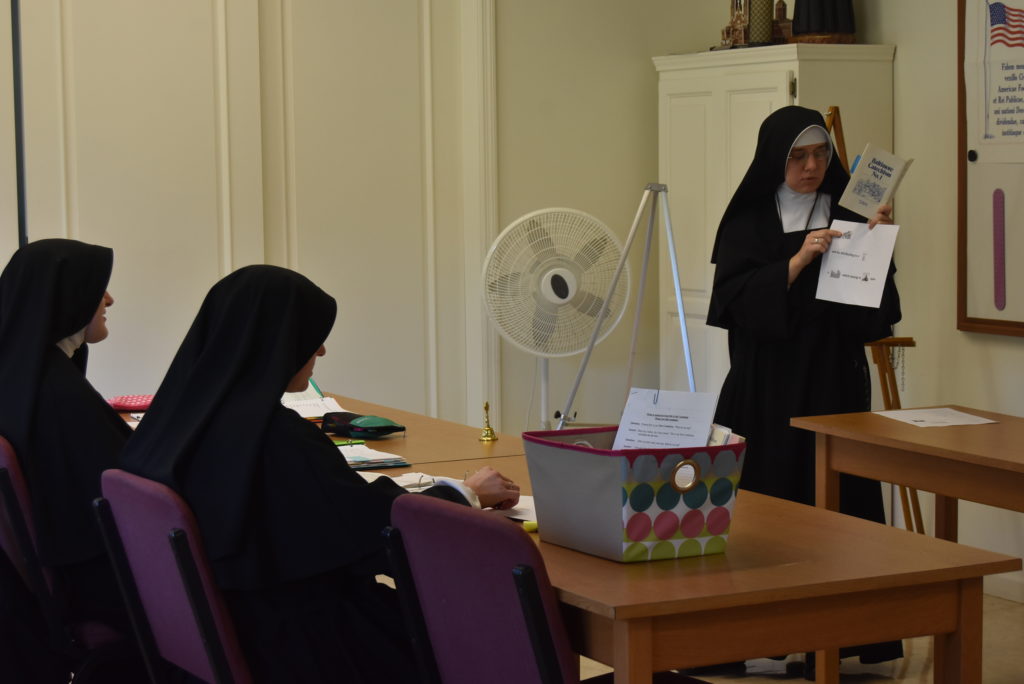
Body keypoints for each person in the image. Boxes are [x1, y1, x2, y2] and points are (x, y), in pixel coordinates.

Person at [119, 264, 520, 683]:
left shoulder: (168, 424)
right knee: (493, 636)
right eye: (311, 336)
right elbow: (378, 537)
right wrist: (464, 494)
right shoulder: (273, 439)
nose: (321, 350)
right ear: (277, 341)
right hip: (305, 648)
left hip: (219, 645)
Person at [707, 106, 902, 667]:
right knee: (766, 514)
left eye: (820, 154)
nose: (812, 166)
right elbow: (733, 304)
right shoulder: (748, 220)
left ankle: (838, 642)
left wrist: (878, 246)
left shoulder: (847, 212)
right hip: (764, 389)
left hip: (833, 385)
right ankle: (756, 641)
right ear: (776, 158)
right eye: (798, 156)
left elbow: (873, 313)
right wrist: (797, 260)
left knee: (838, 512)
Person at [0, 239, 130, 630]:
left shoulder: (23, 375)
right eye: (98, 288)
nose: (109, 300)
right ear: (67, 297)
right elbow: (127, 489)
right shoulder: (57, 394)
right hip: (100, 589)